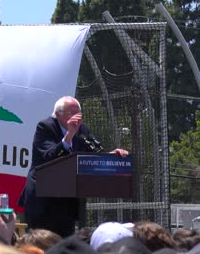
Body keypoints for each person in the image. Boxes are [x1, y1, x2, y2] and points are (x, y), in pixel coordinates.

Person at [18, 96, 129, 237]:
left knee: (66, 244)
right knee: (41, 244)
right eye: (71, 112)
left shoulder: (82, 129)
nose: (76, 117)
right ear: (58, 114)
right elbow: (49, 156)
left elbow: (91, 155)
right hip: (43, 200)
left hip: (68, 201)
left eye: (79, 113)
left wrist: (110, 156)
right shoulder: (45, 127)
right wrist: (69, 135)